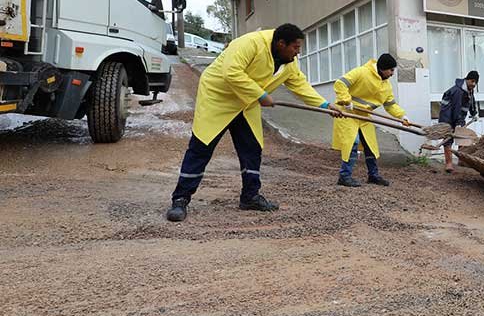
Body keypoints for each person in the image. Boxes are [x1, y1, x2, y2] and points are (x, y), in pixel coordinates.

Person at [165, 24, 340, 222]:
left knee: (252, 148)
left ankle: (250, 197)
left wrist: (325, 105)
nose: (298, 52)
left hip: (246, 103)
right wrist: (261, 94)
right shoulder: (249, 43)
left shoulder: (289, 62)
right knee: (201, 146)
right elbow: (231, 72)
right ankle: (180, 199)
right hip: (219, 98)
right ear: (281, 43)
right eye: (296, 47)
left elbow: (300, 84)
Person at [333, 53, 409, 187]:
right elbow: (340, 83)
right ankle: (344, 176)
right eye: (391, 70)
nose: (392, 73)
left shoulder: (386, 85)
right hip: (347, 113)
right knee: (352, 143)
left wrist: (401, 116)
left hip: (364, 116)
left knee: (370, 146)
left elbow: (390, 105)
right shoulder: (362, 72)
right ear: (383, 68)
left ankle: (373, 176)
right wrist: (346, 100)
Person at [438, 70, 479, 173]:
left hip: (458, 117)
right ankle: (449, 163)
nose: (474, 84)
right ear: (467, 79)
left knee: (462, 137)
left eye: (476, 82)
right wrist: (458, 123)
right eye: (472, 81)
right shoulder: (458, 91)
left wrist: (474, 113)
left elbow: (471, 101)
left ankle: (461, 161)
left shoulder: (469, 89)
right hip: (447, 117)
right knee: (448, 139)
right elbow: (456, 108)